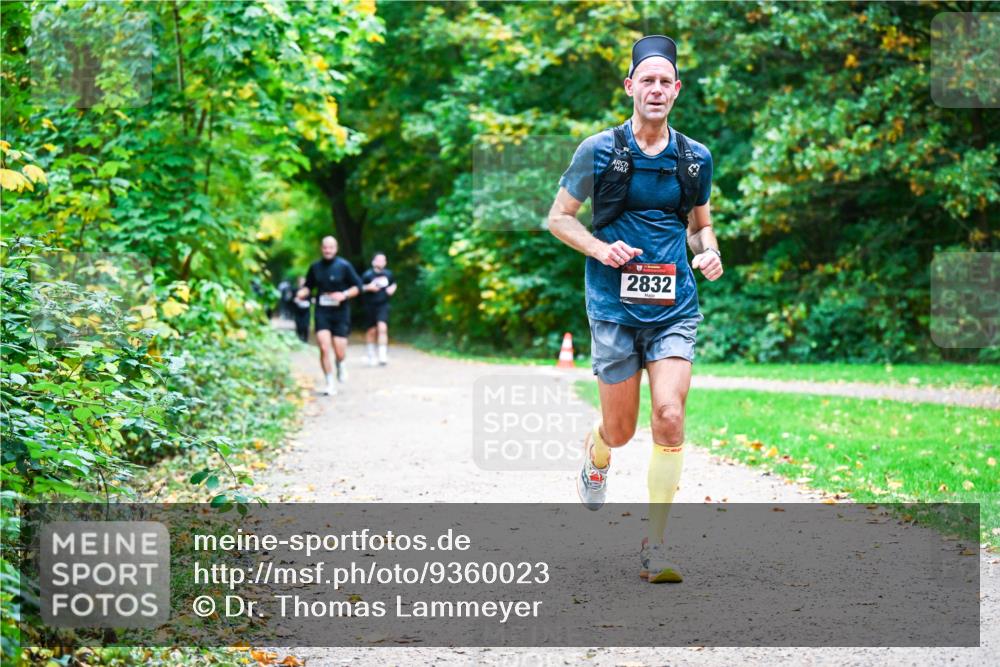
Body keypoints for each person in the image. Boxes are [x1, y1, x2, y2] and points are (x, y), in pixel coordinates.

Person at [547, 35, 723, 583]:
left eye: (664, 81)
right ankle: (597, 453)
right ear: (629, 87)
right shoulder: (598, 151)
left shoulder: (695, 157)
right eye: (645, 79)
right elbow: (559, 218)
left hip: (674, 305)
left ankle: (657, 546)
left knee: (669, 414)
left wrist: (710, 251)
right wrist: (602, 249)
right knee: (621, 431)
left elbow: (701, 225)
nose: (655, 89)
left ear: (676, 91)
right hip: (612, 306)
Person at [296, 236, 363, 395]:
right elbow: (308, 287)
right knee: (324, 347)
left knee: (340, 350)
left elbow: (358, 286)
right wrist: (301, 293)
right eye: (325, 247)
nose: (328, 250)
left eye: (331, 247)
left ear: (336, 248)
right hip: (322, 311)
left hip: (340, 312)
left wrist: (344, 294)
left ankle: (340, 363)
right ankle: (329, 382)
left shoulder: (344, 266)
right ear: (321, 248)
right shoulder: (315, 267)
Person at [361, 252, 397, 366]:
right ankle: (371, 354)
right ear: (373, 262)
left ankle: (382, 356)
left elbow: (394, 284)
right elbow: (359, 287)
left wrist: (392, 289)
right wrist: (368, 288)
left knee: (382, 328)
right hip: (370, 305)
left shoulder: (389, 274)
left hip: (383, 305)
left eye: (383, 260)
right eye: (379, 260)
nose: (381, 262)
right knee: (372, 331)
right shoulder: (367, 275)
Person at [292, 276, 311, 343]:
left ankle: (305, 339)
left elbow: (311, 299)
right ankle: (299, 338)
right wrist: (295, 300)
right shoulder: (295, 289)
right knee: (299, 324)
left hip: (306, 310)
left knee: (305, 324)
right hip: (298, 310)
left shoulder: (308, 290)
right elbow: (291, 299)